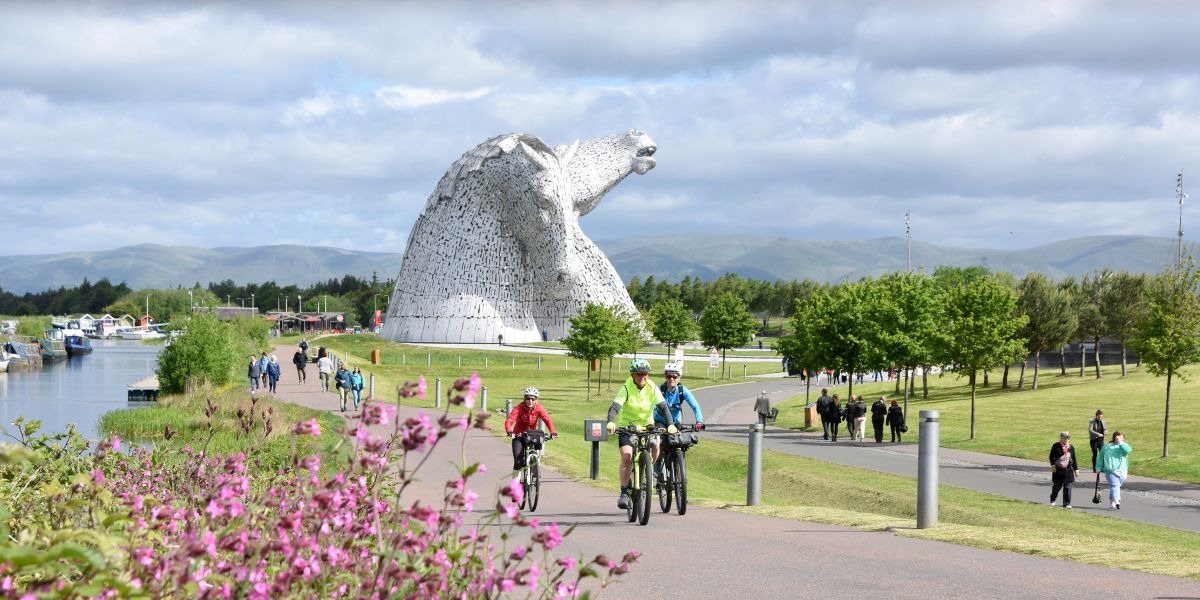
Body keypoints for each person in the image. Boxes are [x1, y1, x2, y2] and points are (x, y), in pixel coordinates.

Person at [605, 358, 674, 510]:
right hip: (627, 426)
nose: (643, 377)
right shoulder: (627, 387)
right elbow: (615, 407)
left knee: (656, 445)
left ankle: (648, 471)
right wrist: (610, 421)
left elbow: (663, 407)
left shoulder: (652, 387)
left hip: (647, 425)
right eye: (639, 374)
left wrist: (670, 424)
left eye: (646, 374)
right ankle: (624, 493)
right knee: (627, 456)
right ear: (632, 374)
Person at [656, 362, 704, 478]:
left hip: (676, 422)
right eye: (668, 376)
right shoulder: (660, 389)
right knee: (659, 442)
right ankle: (656, 469)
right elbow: (652, 405)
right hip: (660, 420)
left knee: (680, 443)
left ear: (679, 378)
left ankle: (679, 469)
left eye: (675, 376)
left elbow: (695, 406)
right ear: (665, 377)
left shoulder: (683, 390)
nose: (671, 379)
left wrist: (699, 421)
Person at [504, 387, 559, 477]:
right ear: (524, 399)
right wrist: (509, 431)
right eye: (528, 398)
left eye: (533, 399)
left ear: (536, 400)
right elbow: (509, 421)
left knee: (537, 448)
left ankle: (535, 467)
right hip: (519, 436)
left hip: (532, 435)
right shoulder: (519, 408)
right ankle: (515, 487)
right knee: (518, 463)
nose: (530, 401)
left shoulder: (539, 408)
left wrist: (553, 432)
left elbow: (547, 420)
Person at [1097, 431, 1132, 510]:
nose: (1121, 439)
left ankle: (1111, 502)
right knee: (1115, 486)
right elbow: (1101, 457)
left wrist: (1120, 443)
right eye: (1119, 437)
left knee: (1115, 487)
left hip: (1122, 471)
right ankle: (1117, 502)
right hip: (1111, 470)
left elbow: (1127, 451)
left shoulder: (1124, 445)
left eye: (1122, 438)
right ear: (1114, 437)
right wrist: (1098, 467)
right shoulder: (1107, 447)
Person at [1048, 431, 1079, 508]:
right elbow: (1051, 456)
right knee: (1057, 487)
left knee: (1068, 487)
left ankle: (1067, 503)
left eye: (1068, 438)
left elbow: (1074, 459)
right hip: (1058, 470)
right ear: (1061, 438)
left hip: (1068, 470)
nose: (1067, 440)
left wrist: (1076, 469)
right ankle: (1053, 499)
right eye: (1065, 438)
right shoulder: (1056, 446)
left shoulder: (1071, 447)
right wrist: (1052, 465)